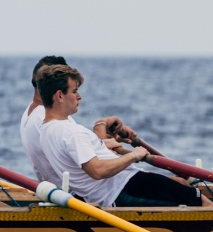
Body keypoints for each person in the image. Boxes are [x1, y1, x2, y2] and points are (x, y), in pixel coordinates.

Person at [36, 65, 213, 207]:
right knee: (201, 200)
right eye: (74, 91)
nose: (79, 96)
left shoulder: (46, 130)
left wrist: (105, 136)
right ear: (60, 95)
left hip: (121, 186)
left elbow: (80, 155)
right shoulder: (71, 132)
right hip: (123, 189)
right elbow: (97, 171)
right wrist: (134, 155)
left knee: (182, 183)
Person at [21, 56, 138, 186]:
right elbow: (91, 161)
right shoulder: (44, 117)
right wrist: (100, 126)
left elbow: (71, 148)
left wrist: (109, 138)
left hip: (68, 184)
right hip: (74, 190)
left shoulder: (32, 112)